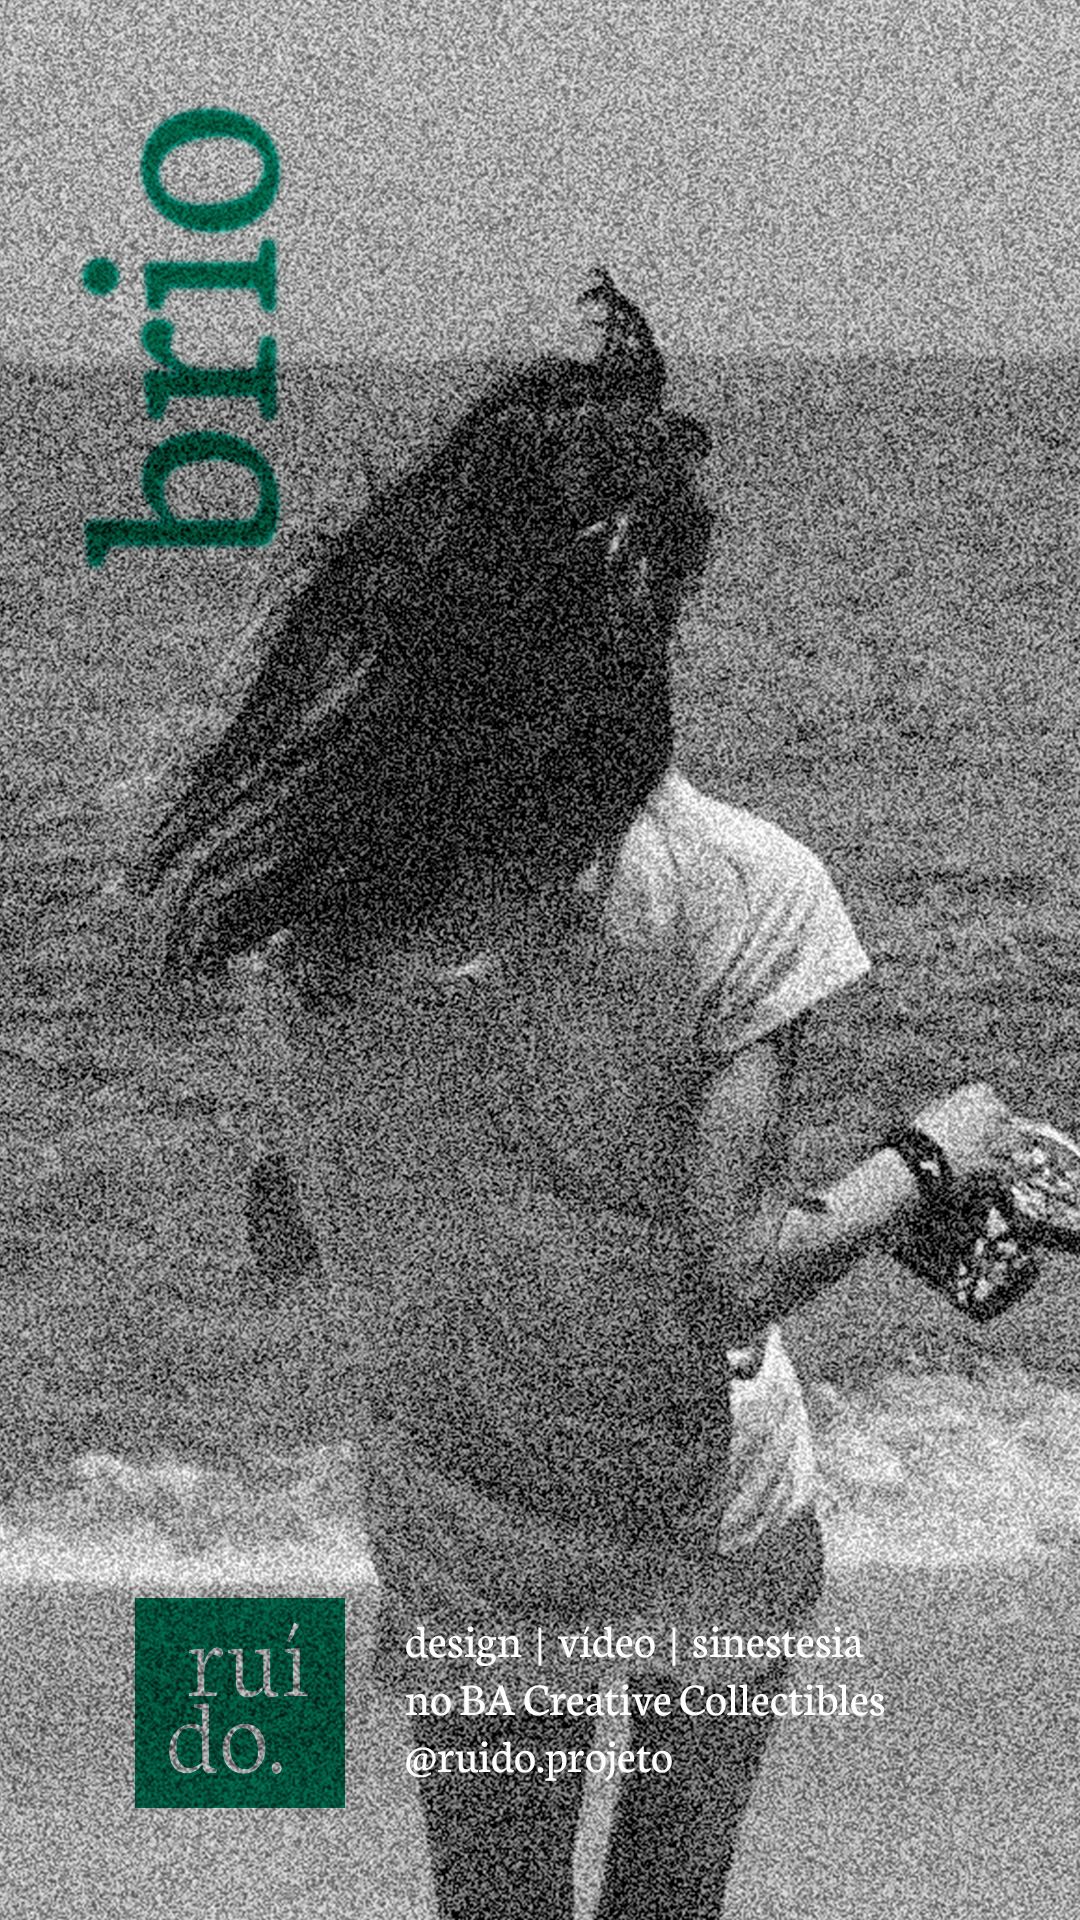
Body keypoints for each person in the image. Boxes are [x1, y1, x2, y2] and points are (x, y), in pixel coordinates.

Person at [132, 273, 1021, 1919]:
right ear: (651, 609)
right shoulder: (739, 888)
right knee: (667, 1900)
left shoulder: (321, 909)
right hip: (699, 1518)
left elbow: (293, 1231)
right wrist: (933, 1152)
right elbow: (735, 1272)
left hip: (464, 1527)